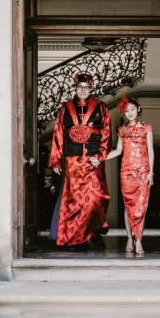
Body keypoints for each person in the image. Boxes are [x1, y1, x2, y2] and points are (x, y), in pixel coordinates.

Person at [48, 72, 111, 249]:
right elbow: (58, 135)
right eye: (79, 87)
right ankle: (76, 238)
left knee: (96, 199)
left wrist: (100, 156)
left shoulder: (101, 107)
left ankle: (93, 233)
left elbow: (106, 134)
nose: (83, 90)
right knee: (75, 202)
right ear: (75, 88)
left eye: (86, 87)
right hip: (73, 161)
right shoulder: (65, 108)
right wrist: (55, 161)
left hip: (93, 162)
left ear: (91, 88)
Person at [94, 97, 154, 255]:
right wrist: (100, 158)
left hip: (143, 172)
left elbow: (151, 151)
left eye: (133, 109)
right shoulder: (121, 130)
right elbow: (118, 151)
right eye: (127, 111)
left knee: (141, 208)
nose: (130, 113)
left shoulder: (147, 128)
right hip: (126, 173)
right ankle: (129, 238)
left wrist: (151, 172)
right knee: (128, 207)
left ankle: (139, 239)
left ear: (138, 109)